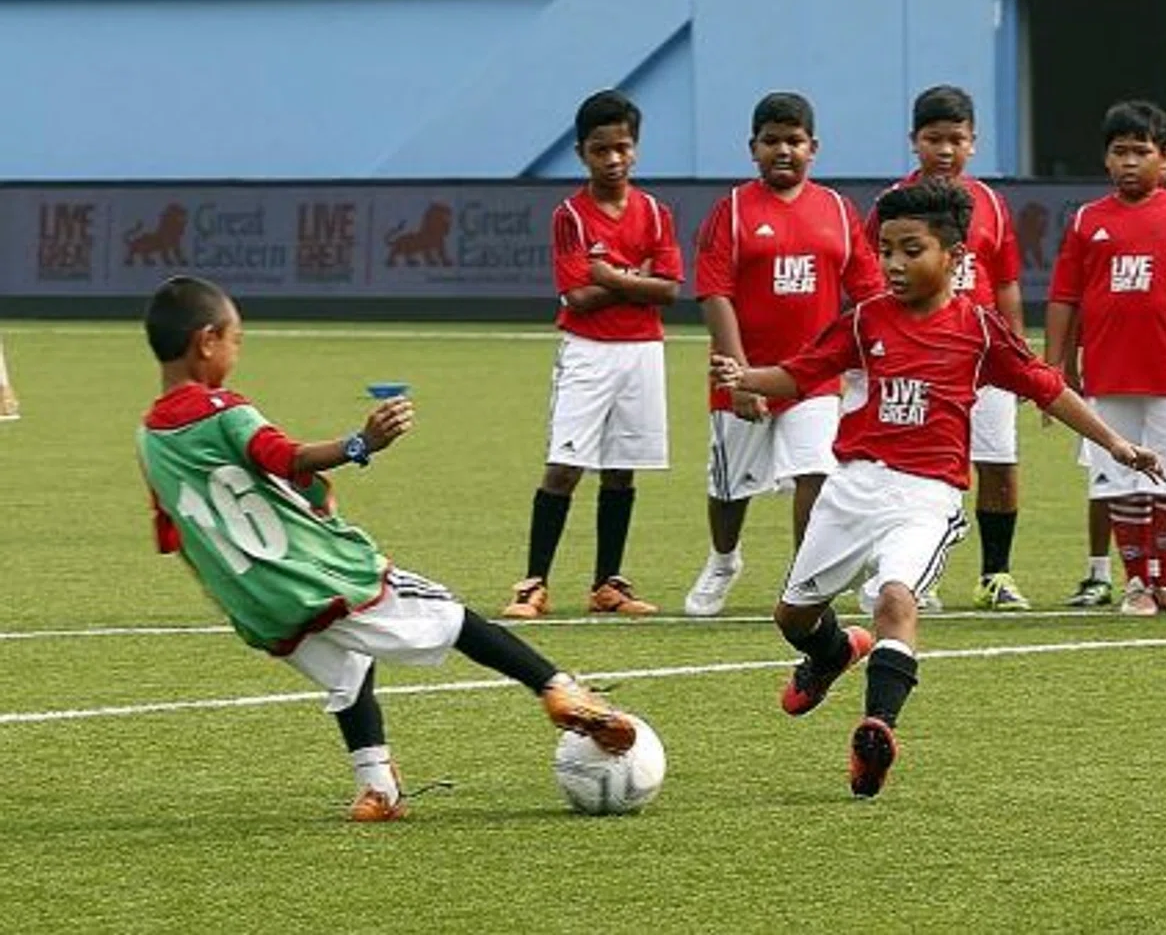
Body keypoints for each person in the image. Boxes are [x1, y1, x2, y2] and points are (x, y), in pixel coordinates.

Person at [715, 180, 1164, 797]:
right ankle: (831, 653)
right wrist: (748, 376)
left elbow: (1045, 385)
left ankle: (877, 731)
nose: (894, 264)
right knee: (793, 616)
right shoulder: (865, 319)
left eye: (911, 250)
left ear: (955, 258)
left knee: (896, 599)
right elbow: (800, 374)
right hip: (851, 488)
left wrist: (1116, 443)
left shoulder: (979, 330)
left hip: (927, 495)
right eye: (886, 251)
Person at [135, 276, 641, 822]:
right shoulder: (225, 410)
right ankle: (559, 689)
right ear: (206, 341)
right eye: (237, 338)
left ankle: (377, 787)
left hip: (258, 603)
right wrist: (362, 443)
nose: (238, 350)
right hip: (325, 573)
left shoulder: (148, 440)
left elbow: (177, 538)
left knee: (346, 669)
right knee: (451, 615)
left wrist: (237, 593)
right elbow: (288, 457)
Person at [684, 92, 884, 617]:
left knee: (817, 471)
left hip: (812, 377)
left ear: (813, 147)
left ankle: (805, 581)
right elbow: (714, 293)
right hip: (744, 371)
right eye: (771, 141)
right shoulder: (729, 212)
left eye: (794, 141)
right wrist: (740, 376)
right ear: (753, 148)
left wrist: (882, 352)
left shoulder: (839, 212)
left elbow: (868, 291)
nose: (783, 150)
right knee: (729, 488)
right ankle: (724, 560)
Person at [503, 90, 683, 619]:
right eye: (601, 150)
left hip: (642, 350)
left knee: (622, 469)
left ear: (636, 149)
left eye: (622, 148)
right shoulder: (570, 217)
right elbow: (578, 297)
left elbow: (671, 289)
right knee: (565, 465)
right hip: (588, 351)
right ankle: (533, 583)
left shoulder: (654, 211)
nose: (613, 160)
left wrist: (609, 274)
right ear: (582, 152)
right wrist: (637, 278)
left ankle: (608, 585)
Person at [1045, 100, 1166, 616]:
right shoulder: (1086, 220)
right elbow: (1065, 297)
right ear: (1105, 159)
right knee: (1119, 480)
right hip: (1107, 371)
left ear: (1165, 158)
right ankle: (1137, 584)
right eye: (1119, 152)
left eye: (1140, 152)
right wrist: (1056, 367)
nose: (1128, 162)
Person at [866, 85, 1029, 613]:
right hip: (919, 355)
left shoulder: (991, 205)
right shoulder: (894, 204)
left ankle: (996, 575)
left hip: (981, 353)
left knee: (999, 461)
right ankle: (915, 577)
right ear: (913, 141)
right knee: (917, 468)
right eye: (933, 139)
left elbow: (1004, 282)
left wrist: (1017, 344)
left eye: (955, 139)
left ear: (973, 143)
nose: (944, 150)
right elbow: (873, 275)